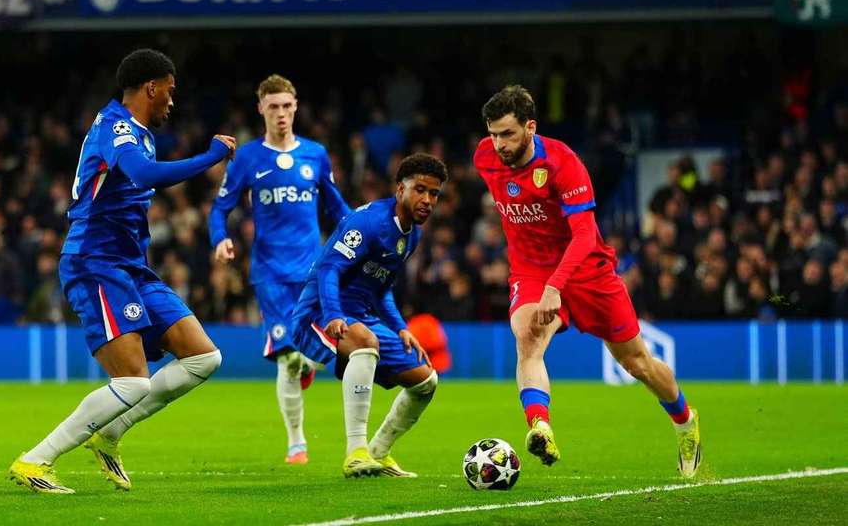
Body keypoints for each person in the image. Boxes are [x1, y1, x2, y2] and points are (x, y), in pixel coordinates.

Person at [8, 49, 236, 494]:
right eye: (170, 91)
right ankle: (35, 460)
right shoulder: (116, 128)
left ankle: (110, 432)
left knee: (204, 357)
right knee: (131, 380)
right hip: (96, 262)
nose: (173, 101)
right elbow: (145, 173)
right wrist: (210, 156)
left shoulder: (142, 133)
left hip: (131, 265)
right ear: (151, 87)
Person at [474, 85, 701, 478]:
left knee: (637, 363)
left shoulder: (563, 163)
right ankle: (540, 426)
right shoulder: (485, 156)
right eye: (493, 134)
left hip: (586, 269)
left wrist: (556, 286)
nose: (499, 144)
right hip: (530, 269)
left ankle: (685, 421)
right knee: (527, 339)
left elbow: (583, 235)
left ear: (531, 127)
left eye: (508, 134)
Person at [209, 74, 350, 464]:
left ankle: (309, 364)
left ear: (296, 106)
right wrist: (219, 238)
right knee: (288, 357)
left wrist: (363, 233)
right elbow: (220, 208)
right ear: (261, 109)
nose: (282, 114)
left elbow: (336, 206)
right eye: (274, 106)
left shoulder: (316, 155)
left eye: (287, 106)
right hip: (269, 272)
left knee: (321, 351)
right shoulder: (249, 158)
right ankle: (296, 443)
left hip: (312, 270)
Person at [289, 153, 445, 478]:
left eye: (434, 193)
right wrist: (333, 314)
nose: (428, 200)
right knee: (364, 342)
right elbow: (330, 268)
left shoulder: (410, 235)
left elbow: (381, 288)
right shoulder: (370, 222)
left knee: (426, 381)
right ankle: (355, 452)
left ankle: (379, 451)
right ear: (400, 189)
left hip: (361, 315)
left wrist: (400, 328)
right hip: (318, 311)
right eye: (420, 190)